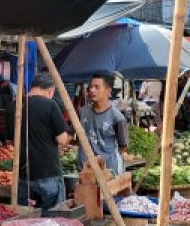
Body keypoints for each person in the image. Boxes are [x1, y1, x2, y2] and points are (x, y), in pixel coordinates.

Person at [12, 72, 70, 212]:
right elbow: (62, 140)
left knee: (25, 221)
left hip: (22, 176)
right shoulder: (50, 105)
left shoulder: (15, 106)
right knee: (51, 219)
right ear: (50, 90)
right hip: (47, 173)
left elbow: (10, 139)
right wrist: (70, 136)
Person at [79, 73, 129, 174]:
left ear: (108, 91)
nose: (92, 90)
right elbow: (70, 136)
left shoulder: (117, 118)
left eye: (97, 87)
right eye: (91, 87)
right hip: (86, 171)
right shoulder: (83, 112)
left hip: (109, 171)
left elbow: (122, 146)